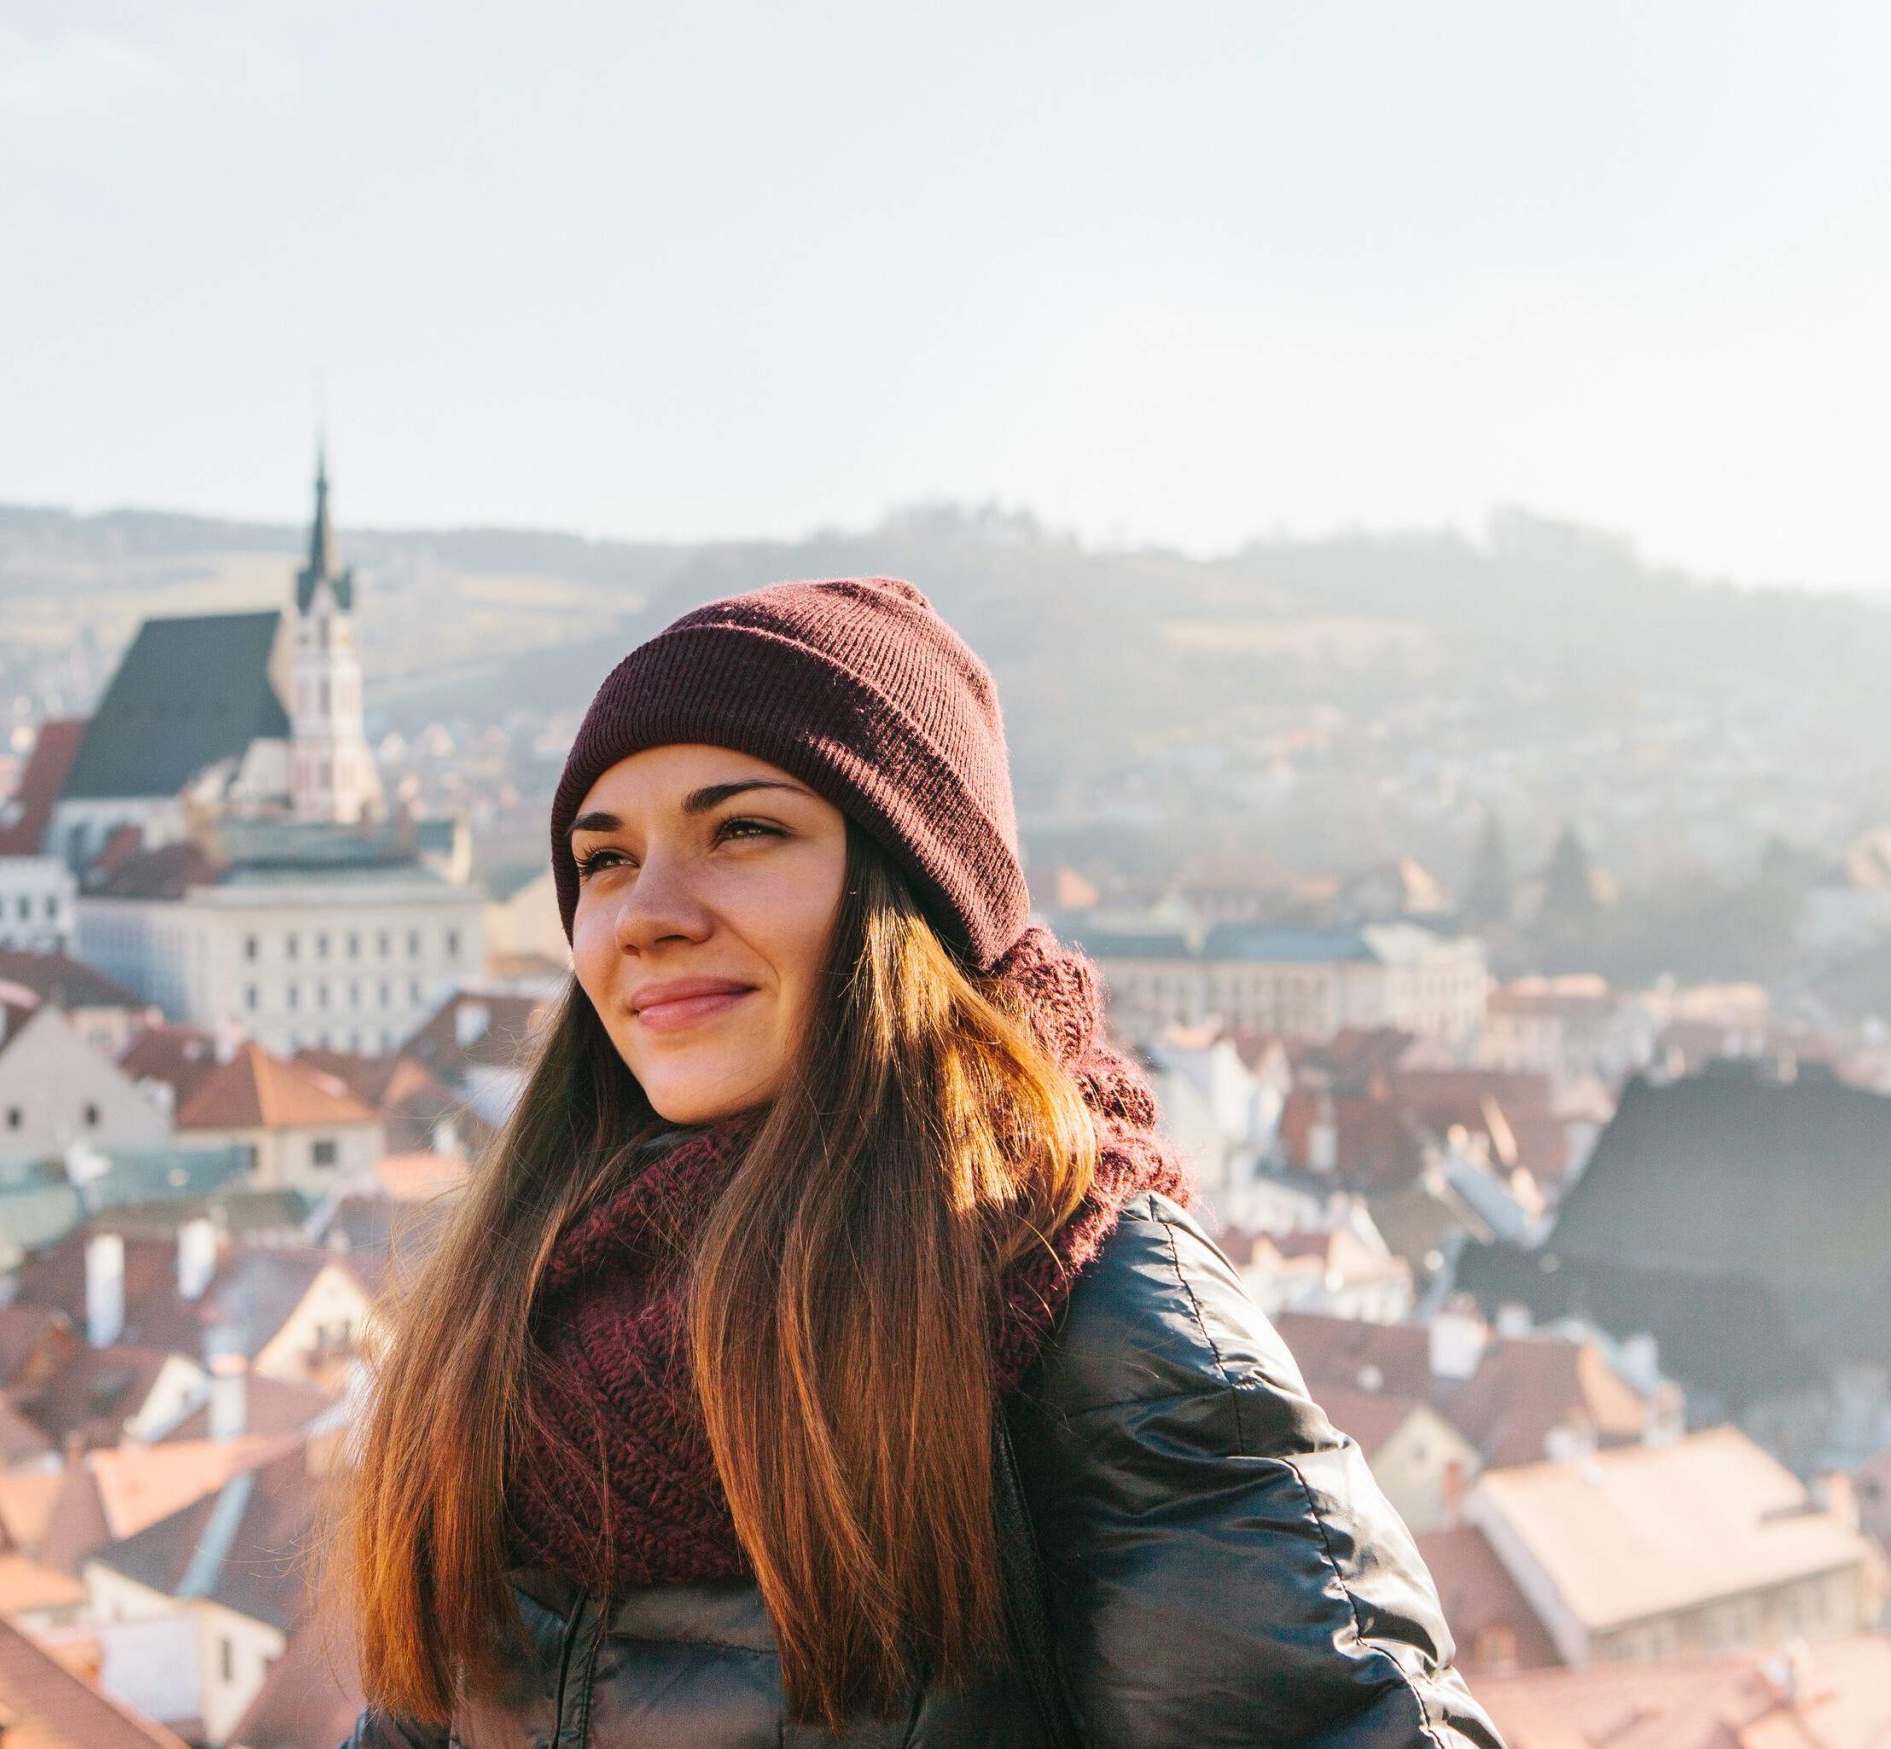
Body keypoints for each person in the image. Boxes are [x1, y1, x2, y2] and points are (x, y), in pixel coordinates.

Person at [331, 577, 1502, 1745]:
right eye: (601, 860)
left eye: (741, 830)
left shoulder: (1083, 1295)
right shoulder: (511, 1314)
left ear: (915, 894)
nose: (647, 913)